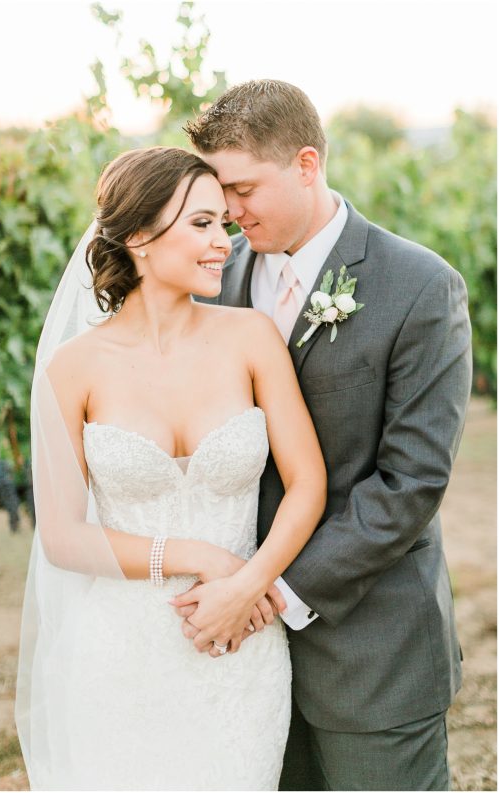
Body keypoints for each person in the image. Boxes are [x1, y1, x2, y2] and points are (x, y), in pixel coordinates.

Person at [171, 79, 473, 791]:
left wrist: (266, 590)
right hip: (240, 664)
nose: (229, 213)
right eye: (218, 192)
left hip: (373, 655)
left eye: (243, 189)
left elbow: (411, 483)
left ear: (307, 165)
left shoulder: (420, 287)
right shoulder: (218, 277)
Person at [15, 146, 327, 791]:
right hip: (118, 655)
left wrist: (247, 584)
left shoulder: (251, 338)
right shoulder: (72, 370)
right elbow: (64, 537)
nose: (225, 241)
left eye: (224, 222)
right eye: (202, 224)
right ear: (137, 237)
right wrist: (195, 554)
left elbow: (308, 484)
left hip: (238, 647)